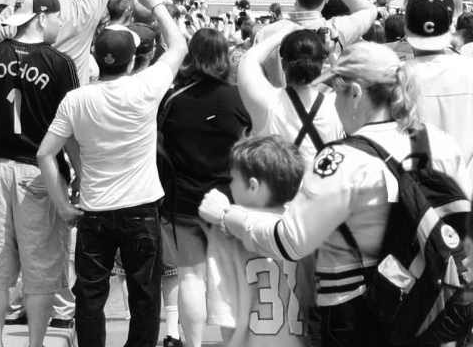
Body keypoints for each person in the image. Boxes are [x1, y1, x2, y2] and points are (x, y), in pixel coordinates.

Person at [199, 41, 471, 347]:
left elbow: (290, 241)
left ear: (355, 93)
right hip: (430, 307)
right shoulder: (442, 142)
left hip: (359, 313)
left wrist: (226, 215)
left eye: (336, 91)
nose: (333, 101)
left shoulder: (340, 160)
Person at [36, 0, 188, 347]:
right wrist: (157, 5)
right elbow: (180, 45)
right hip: (140, 208)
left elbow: (44, 153)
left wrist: (62, 204)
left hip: (95, 210)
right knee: (145, 297)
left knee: (90, 297)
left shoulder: (76, 99)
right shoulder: (145, 87)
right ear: (133, 59)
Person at [0, 0, 115, 327]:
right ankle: (58, 305)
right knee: (60, 220)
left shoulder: (11, 15)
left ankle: (23, 301)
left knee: (12, 229)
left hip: (12, 131)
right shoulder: (81, 7)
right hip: (63, 130)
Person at [0, 0, 79, 347]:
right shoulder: (60, 64)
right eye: (56, 17)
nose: (58, 23)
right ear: (41, 17)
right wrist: (83, 175)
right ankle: (35, 343)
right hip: (42, 176)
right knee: (40, 268)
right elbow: (68, 129)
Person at [159, 28, 252, 347]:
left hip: (182, 202)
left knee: (190, 277)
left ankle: (193, 344)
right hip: (228, 204)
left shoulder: (173, 98)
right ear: (224, 58)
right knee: (229, 280)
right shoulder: (238, 98)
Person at [205, 135, 312, 347]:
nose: (231, 185)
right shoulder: (302, 227)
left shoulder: (226, 230)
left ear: (253, 186)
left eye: (233, 179)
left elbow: (225, 312)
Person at [256, 0, 377, 88]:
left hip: (276, 104)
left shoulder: (266, 33)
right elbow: (369, 9)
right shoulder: (336, 30)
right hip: (326, 104)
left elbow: (255, 81)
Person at [238, 28, 343, 166]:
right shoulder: (337, 105)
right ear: (321, 63)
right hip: (323, 185)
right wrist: (330, 54)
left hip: (280, 186)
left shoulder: (268, 103)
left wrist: (284, 32)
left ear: (283, 64)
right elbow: (346, 84)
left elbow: (248, 58)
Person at [404, 0, 473, 179]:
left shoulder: (398, 76)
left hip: (418, 194)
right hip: (466, 188)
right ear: (449, 29)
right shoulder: (469, 69)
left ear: (406, 28)